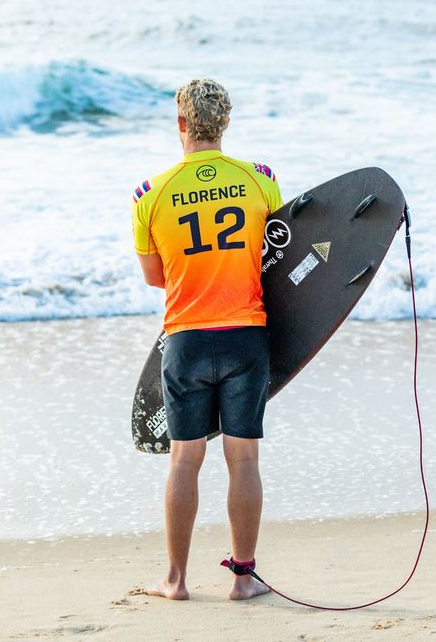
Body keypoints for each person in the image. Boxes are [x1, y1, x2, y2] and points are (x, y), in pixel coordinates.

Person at [131, 78, 283, 601]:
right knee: (243, 459)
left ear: (180, 124)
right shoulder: (261, 180)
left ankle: (175, 580)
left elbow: (156, 277)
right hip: (247, 336)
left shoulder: (151, 195)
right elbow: (278, 259)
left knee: (184, 458)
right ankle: (243, 579)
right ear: (224, 124)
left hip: (186, 340)